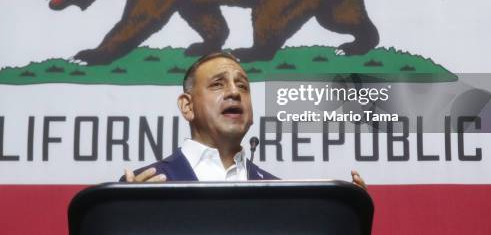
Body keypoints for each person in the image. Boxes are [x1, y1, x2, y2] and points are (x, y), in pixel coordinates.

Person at [122, 52, 367, 189]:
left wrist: (347, 217)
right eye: (218, 84)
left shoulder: (283, 195)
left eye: (243, 86)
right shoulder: (141, 188)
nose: (234, 92)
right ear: (187, 106)